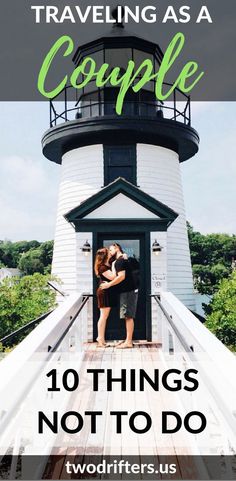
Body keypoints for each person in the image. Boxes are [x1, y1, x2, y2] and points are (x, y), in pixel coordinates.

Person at [100, 243, 138, 349]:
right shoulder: (121, 260)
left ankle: (129, 342)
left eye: (111, 250)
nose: (110, 252)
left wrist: (108, 285)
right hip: (126, 291)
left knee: (128, 316)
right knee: (126, 316)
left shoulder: (121, 261)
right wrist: (113, 264)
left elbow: (121, 277)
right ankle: (127, 340)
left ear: (117, 248)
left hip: (128, 291)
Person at [94, 247, 118, 347]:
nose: (110, 253)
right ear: (105, 255)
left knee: (104, 317)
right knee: (103, 317)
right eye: (108, 252)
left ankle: (102, 340)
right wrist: (113, 265)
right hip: (104, 292)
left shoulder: (106, 264)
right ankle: (100, 339)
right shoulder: (102, 267)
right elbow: (113, 277)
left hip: (107, 292)